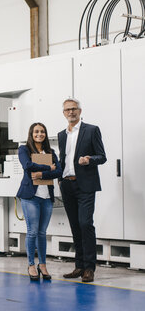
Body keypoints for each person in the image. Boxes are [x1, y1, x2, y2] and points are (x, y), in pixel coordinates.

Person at [58, 98, 106, 283]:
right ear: (63, 113)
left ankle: (89, 268)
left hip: (85, 184)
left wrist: (89, 159)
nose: (71, 112)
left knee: (85, 224)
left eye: (74, 109)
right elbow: (64, 159)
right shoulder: (62, 135)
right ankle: (78, 266)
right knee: (75, 226)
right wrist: (60, 180)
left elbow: (102, 156)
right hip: (67, 185)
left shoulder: (91, 130)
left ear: (79, 110)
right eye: (67, 110)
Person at [17, 122, 62, 281]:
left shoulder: (51, 151)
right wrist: (47, 168)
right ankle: (30, 264)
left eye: (42, 131)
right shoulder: (24, 149)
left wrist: (42, 174)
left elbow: (59, 171)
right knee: (32, 231)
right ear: (31, 133)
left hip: (46, 197)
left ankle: (42, 265)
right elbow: (27, 165)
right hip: (30, 196)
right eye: (36, 131)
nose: (39, 134)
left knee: (42, 233)